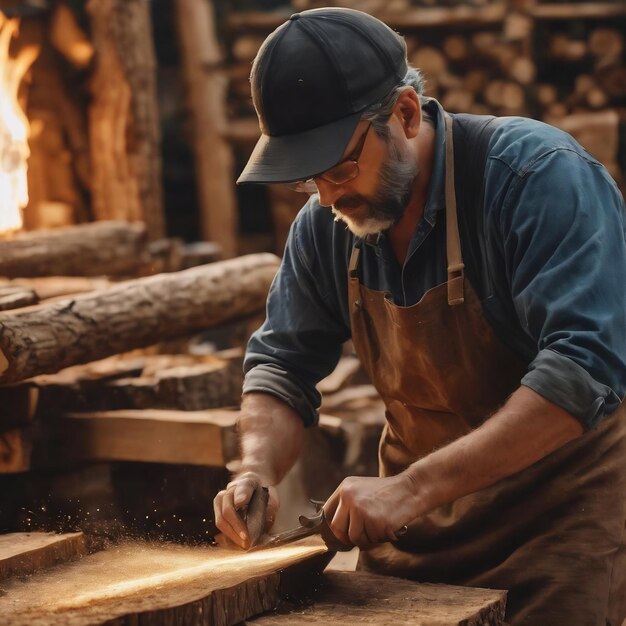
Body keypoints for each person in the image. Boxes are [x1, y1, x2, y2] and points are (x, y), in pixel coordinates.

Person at [213, 8, 626, 625]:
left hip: (558, 531)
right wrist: (256, 469)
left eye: (341, 167)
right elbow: (280, 367)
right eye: (308, 180)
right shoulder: (328, 226)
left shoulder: (536, 179)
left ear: (405, 113)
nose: (326, 196)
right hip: (414, 542)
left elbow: (583, 372)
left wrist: (407, 490)